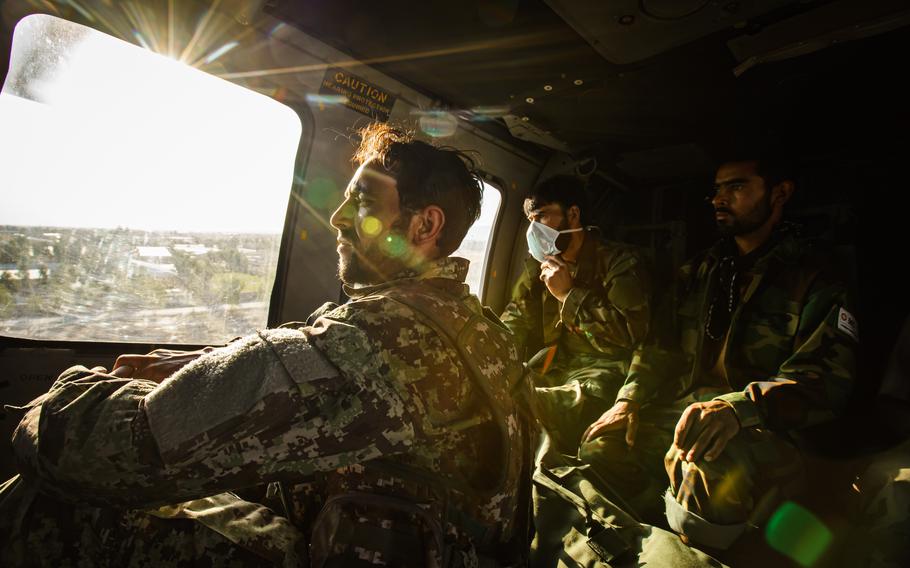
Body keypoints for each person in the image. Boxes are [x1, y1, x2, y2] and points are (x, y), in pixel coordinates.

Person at [0, 123, 530, 567]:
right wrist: (200, 366)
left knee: (54, 501)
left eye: (362, 203)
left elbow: (98, 447)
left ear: (424, 226)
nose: (338, 218)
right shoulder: (483, 333)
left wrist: (66, 394)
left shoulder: (378, 343)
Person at [580, 152, 857, 548]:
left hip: (769, 428)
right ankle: (635, 546)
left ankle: (701, 552)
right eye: (717, 191)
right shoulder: (701, 272)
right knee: (599, 446)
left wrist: (739, 408)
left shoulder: (815, 277)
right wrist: (629, 400)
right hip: (687, 411)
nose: (719, 199)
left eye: (737, 187)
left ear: (780, 193)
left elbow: (825, 381)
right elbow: (659, 346)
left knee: (704, 468)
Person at [500, 175, 651, 455]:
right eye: (531, 219)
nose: (534, 229)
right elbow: (515, 317)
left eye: (542, 216)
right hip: (557, 366)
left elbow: (631, 337)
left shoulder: (619, 262)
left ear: (573, 213)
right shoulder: (539, 268)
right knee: (497, 396)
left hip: (606, 372)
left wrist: (569, 296)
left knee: (523, 406)